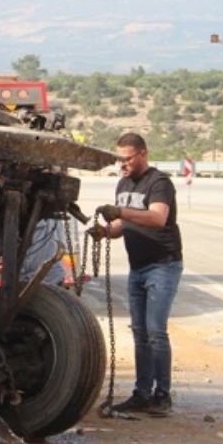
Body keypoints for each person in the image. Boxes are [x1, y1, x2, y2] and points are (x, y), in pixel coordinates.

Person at [89, 133, 183, 415]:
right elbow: (121, 226)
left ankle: (162, 395)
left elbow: (157, 218)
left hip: (162, 265)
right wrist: (106, 231)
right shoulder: (123, 183)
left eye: (127, 159)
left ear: (142, 154)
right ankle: (142, 393)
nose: (123, 165)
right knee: (140, 333)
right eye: (119, 159)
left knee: (156, 332)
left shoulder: (159, 183)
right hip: (138, 267)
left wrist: (121, 212)